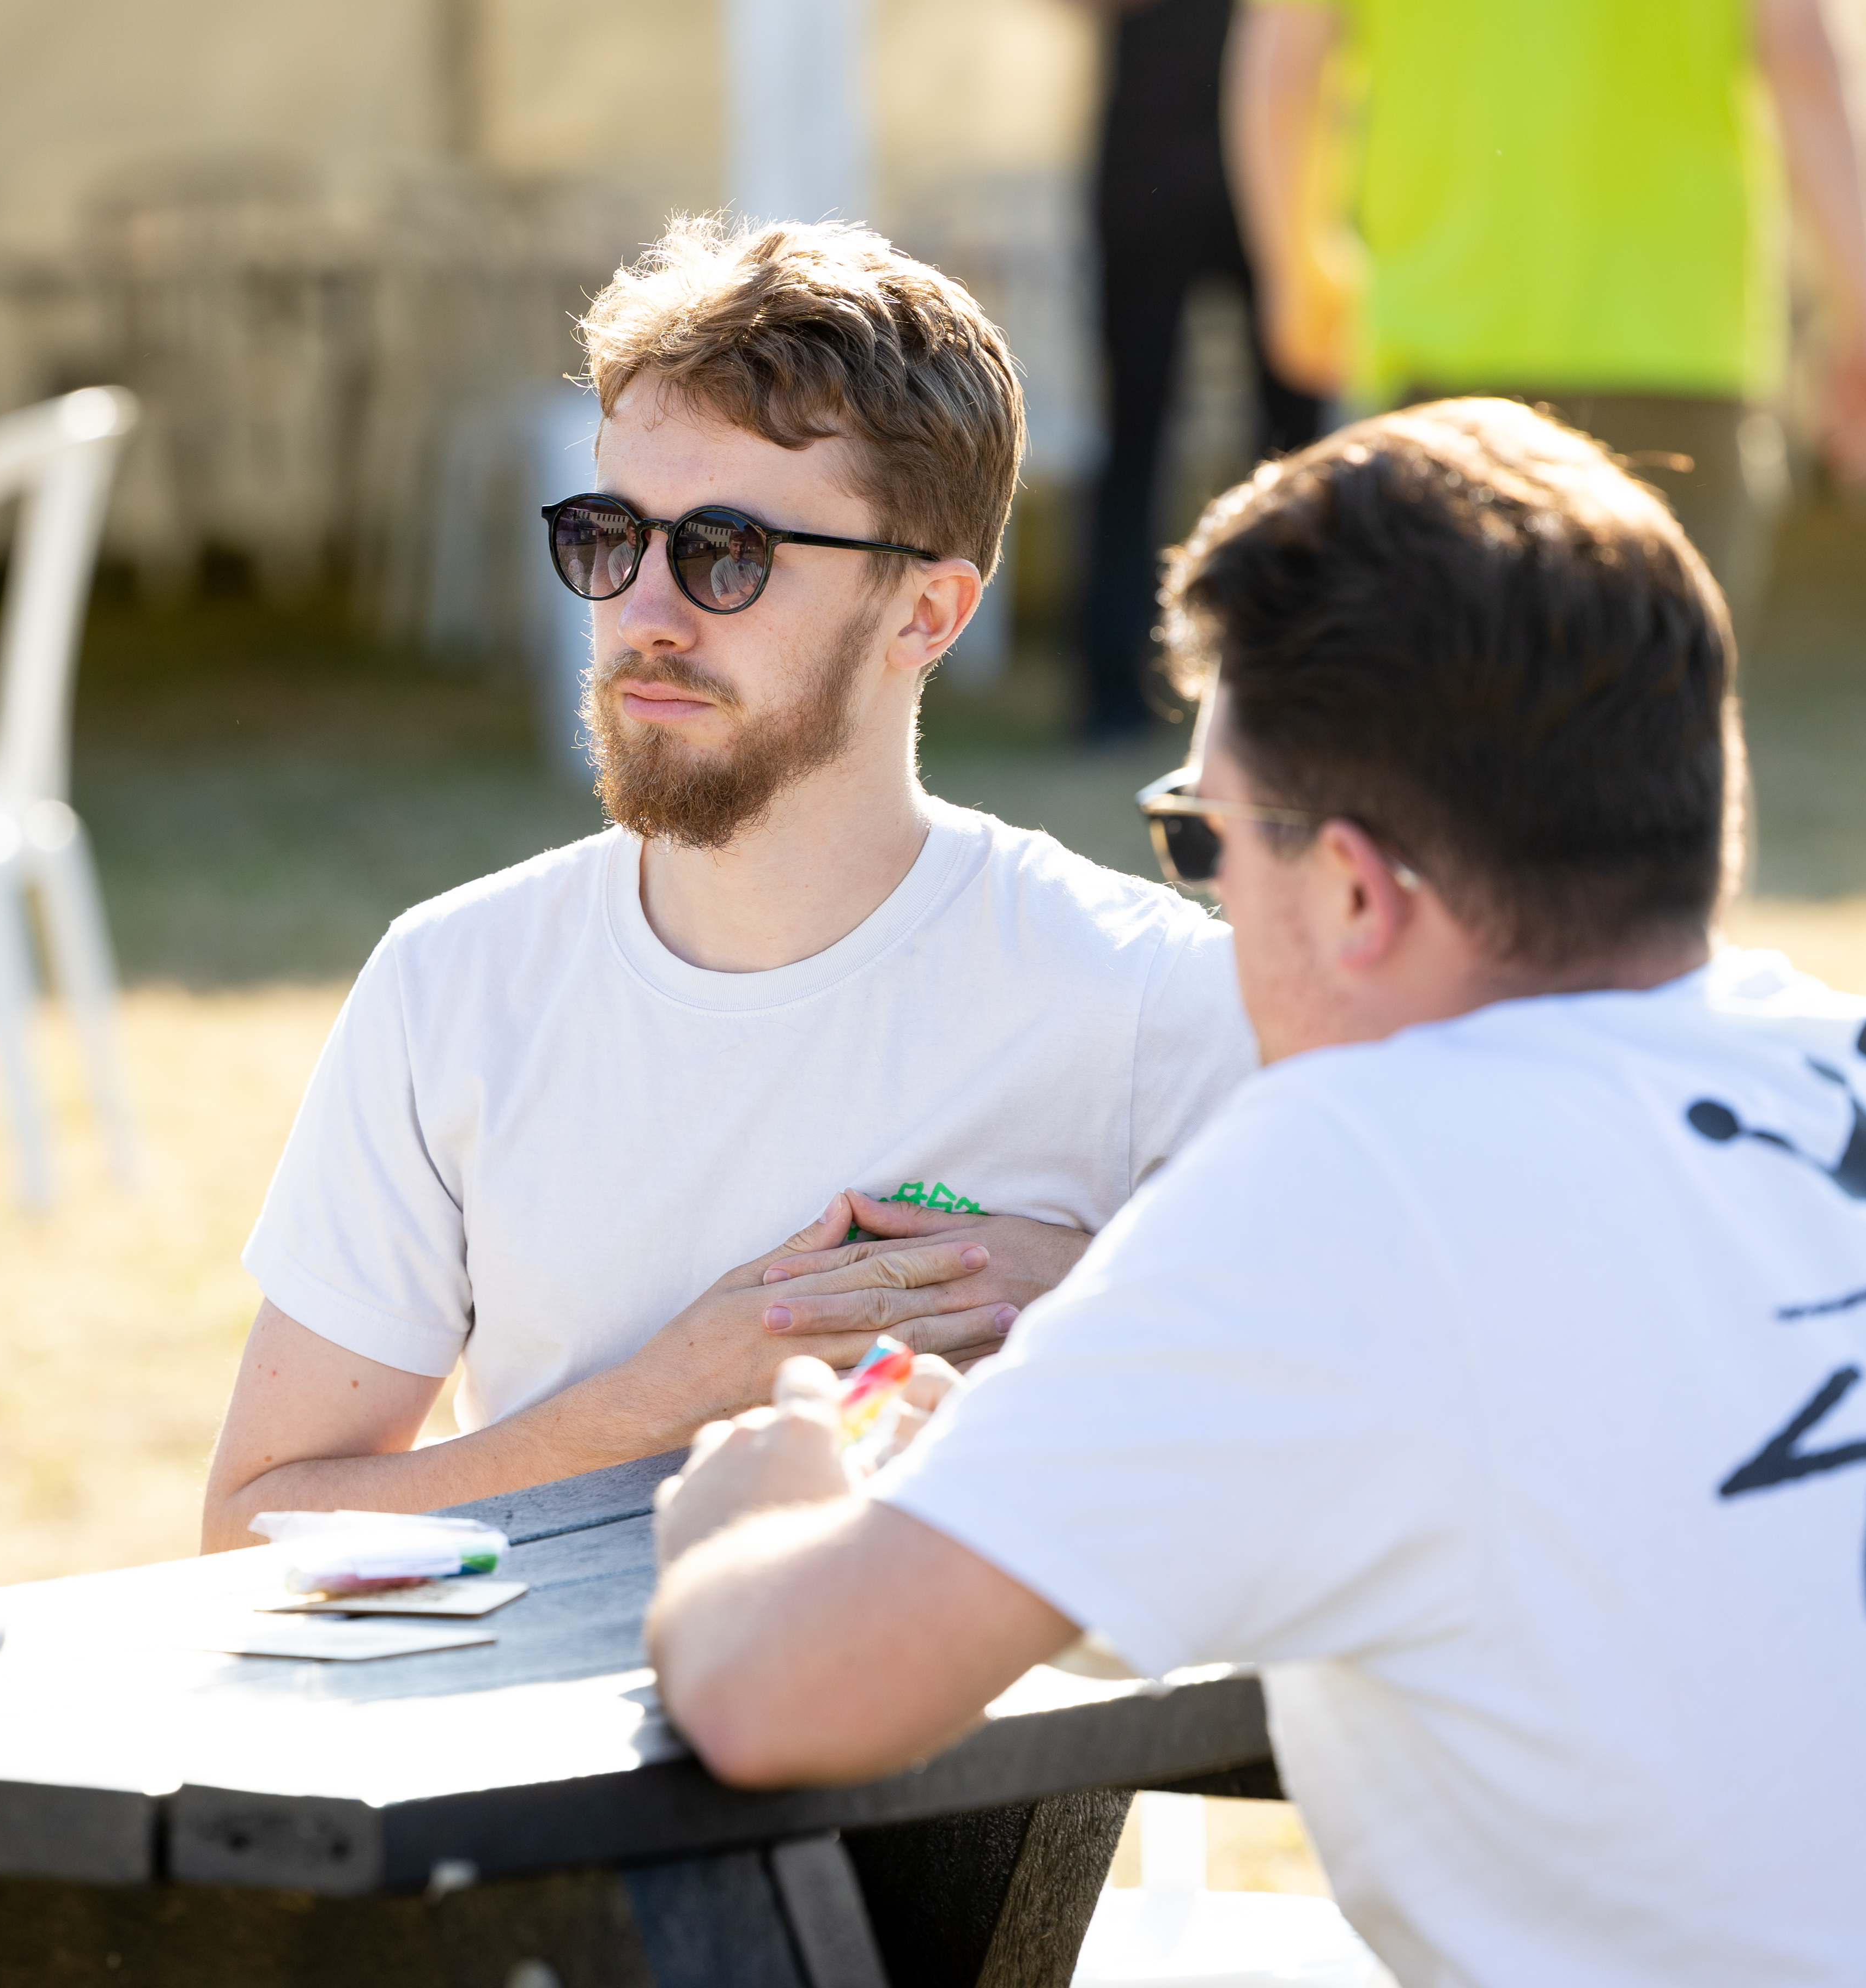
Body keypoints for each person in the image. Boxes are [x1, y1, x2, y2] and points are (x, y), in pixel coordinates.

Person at [645, 398, 1866, 1985]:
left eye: (1201, 838)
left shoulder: (1364, 1168)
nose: (1208, 903)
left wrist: (748, 1517)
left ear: (1352, 886)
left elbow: (779, 1692)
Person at [200, 217, 1254, 1553]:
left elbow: (1363, 1455)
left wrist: (1107, 1297)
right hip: (513, 1754)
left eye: (726, 553)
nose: (644, 609)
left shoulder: (1151, 999)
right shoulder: (449, 981)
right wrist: (660, 1402)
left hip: (985, 1760)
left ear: (925, 615)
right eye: (604, 537)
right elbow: (248, 1536)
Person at [1226, 0, 1866, 618]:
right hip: (1679, 353)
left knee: (1432, 718)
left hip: (1439, 351)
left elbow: (1286, 69)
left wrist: (1301, 272)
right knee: (1655, 717)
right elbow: (1804, 62)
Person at [1069, 0, 1324, 743]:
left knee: (1295, 444)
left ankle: (1295, 676)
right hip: (1151, 159)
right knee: (1134, 430)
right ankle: (1114, 691)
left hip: (1279, 162)